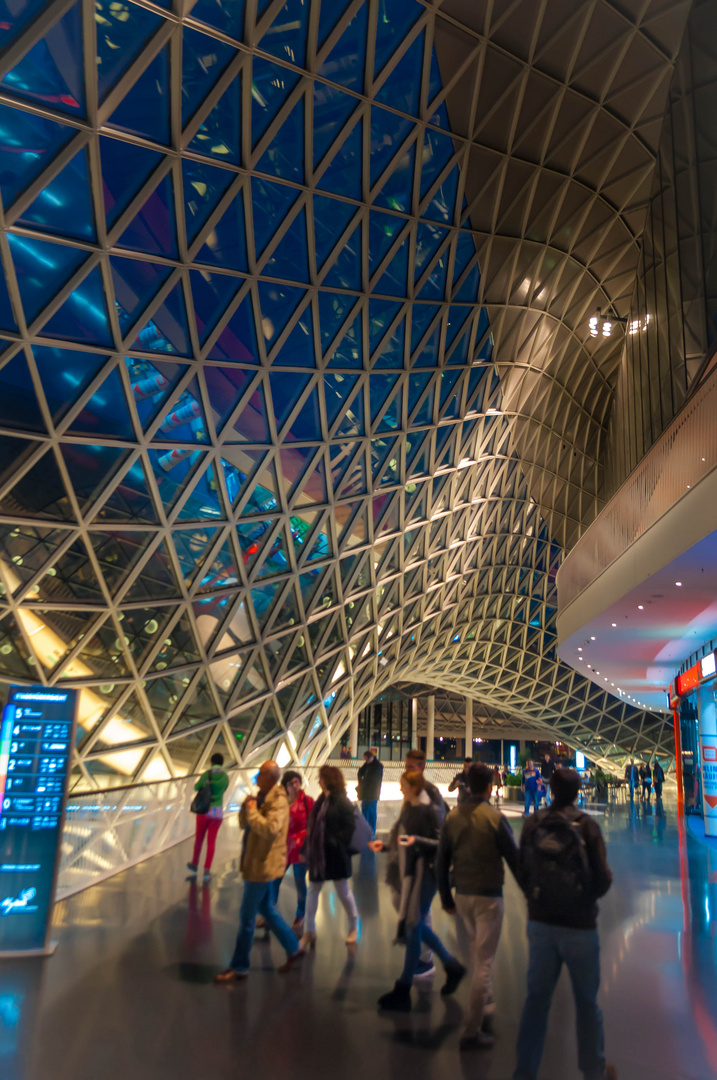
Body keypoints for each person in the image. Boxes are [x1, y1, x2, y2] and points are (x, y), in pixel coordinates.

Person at [513, 769, 616, 1080]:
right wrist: (584, 902)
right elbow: (603, 877)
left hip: (541, 923)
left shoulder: (533, 823)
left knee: (536, 1000)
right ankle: (594, 1071)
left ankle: (525, 1072)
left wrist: (535, 901)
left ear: (548, 788)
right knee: (586, 1002)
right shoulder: (586, 826)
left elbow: (522, 869)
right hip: (580, 926)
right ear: (577, 790)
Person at [437, 764, 519, 1050]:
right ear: (489, 787)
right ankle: (472, 1029)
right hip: (488, 897)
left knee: (473, 956)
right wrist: (532, 896)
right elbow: (514, 859)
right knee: (484, 962)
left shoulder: (452, 818)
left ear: (467, 785)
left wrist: (446, 898)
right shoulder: (494, 818)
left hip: (462, 896)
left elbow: (441, 861)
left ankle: (486, 1003)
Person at [371, 770, 465, 1011]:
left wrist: (417, 842)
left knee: (413, 925)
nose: (400, 789)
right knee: (415, 925)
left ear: (414, 787)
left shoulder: (429, 810)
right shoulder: (410, 808)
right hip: (412, 873)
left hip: (427, 874)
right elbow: (404, 841)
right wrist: (385, 847)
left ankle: (404, 988)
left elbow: (443, 844)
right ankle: (451, 966)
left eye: (403, 785)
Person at [215, 761, 303, 982]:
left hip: (263, 865)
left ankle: (239, 966)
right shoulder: (262, 797)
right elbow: (247, 824)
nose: (256, 777)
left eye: (261, 774)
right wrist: (248, 809)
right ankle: (294, 947)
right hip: (255, 861)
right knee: (266, 908)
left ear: (272, 777)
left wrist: (253, 812)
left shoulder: (279, 801)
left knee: (246, 917)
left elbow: (270, 828)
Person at [301, 765, 359, 948]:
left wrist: (335, 842)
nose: (319, 781)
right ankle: (309, 931)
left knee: (343, 891)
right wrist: (306, 849)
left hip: (335, 855)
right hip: (319, 855)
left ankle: (353, 925)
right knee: (313, 890)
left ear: (328, 781)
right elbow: (312, 828)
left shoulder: (342, 802)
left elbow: (350, 828)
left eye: (321, 778)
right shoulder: (321, 800)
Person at [270, 771, 314, 932]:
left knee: (299, 882)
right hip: (283, 849)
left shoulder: (307, 802)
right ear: (285, 786)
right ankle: (270, 912)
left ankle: (300, 915)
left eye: (297, 782)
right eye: (291, 783)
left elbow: (313, 825)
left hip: (300, 849)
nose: (295, 786)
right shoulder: (280, 803)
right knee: (275, 880)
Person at [187, 752, 229, 882]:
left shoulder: (207, 774)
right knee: (212, 842)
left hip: (204, 811)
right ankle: (206, 870)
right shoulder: (225, 777)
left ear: (211, 762)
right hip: (217, 812)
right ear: (222, 763)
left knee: (199, 839)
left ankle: (195, 864)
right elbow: (224, 790)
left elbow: (196, 787)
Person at [405, 747, 447, 823]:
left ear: (422, 768)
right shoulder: (409, 790)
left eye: (411, 767)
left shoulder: (431, 792)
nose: (407, 771)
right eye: (406, 767)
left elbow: (438, 825)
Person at [357, 748, 383, 837]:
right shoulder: (368, 765)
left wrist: (363, 781)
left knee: (371, 813)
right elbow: (360, 772)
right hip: (366, 793)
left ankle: (371, 833)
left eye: (367, 759)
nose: (366, 761)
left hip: (372, 794)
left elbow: (372, 779)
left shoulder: (377, 766)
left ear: (371, 757)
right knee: (365, 812)